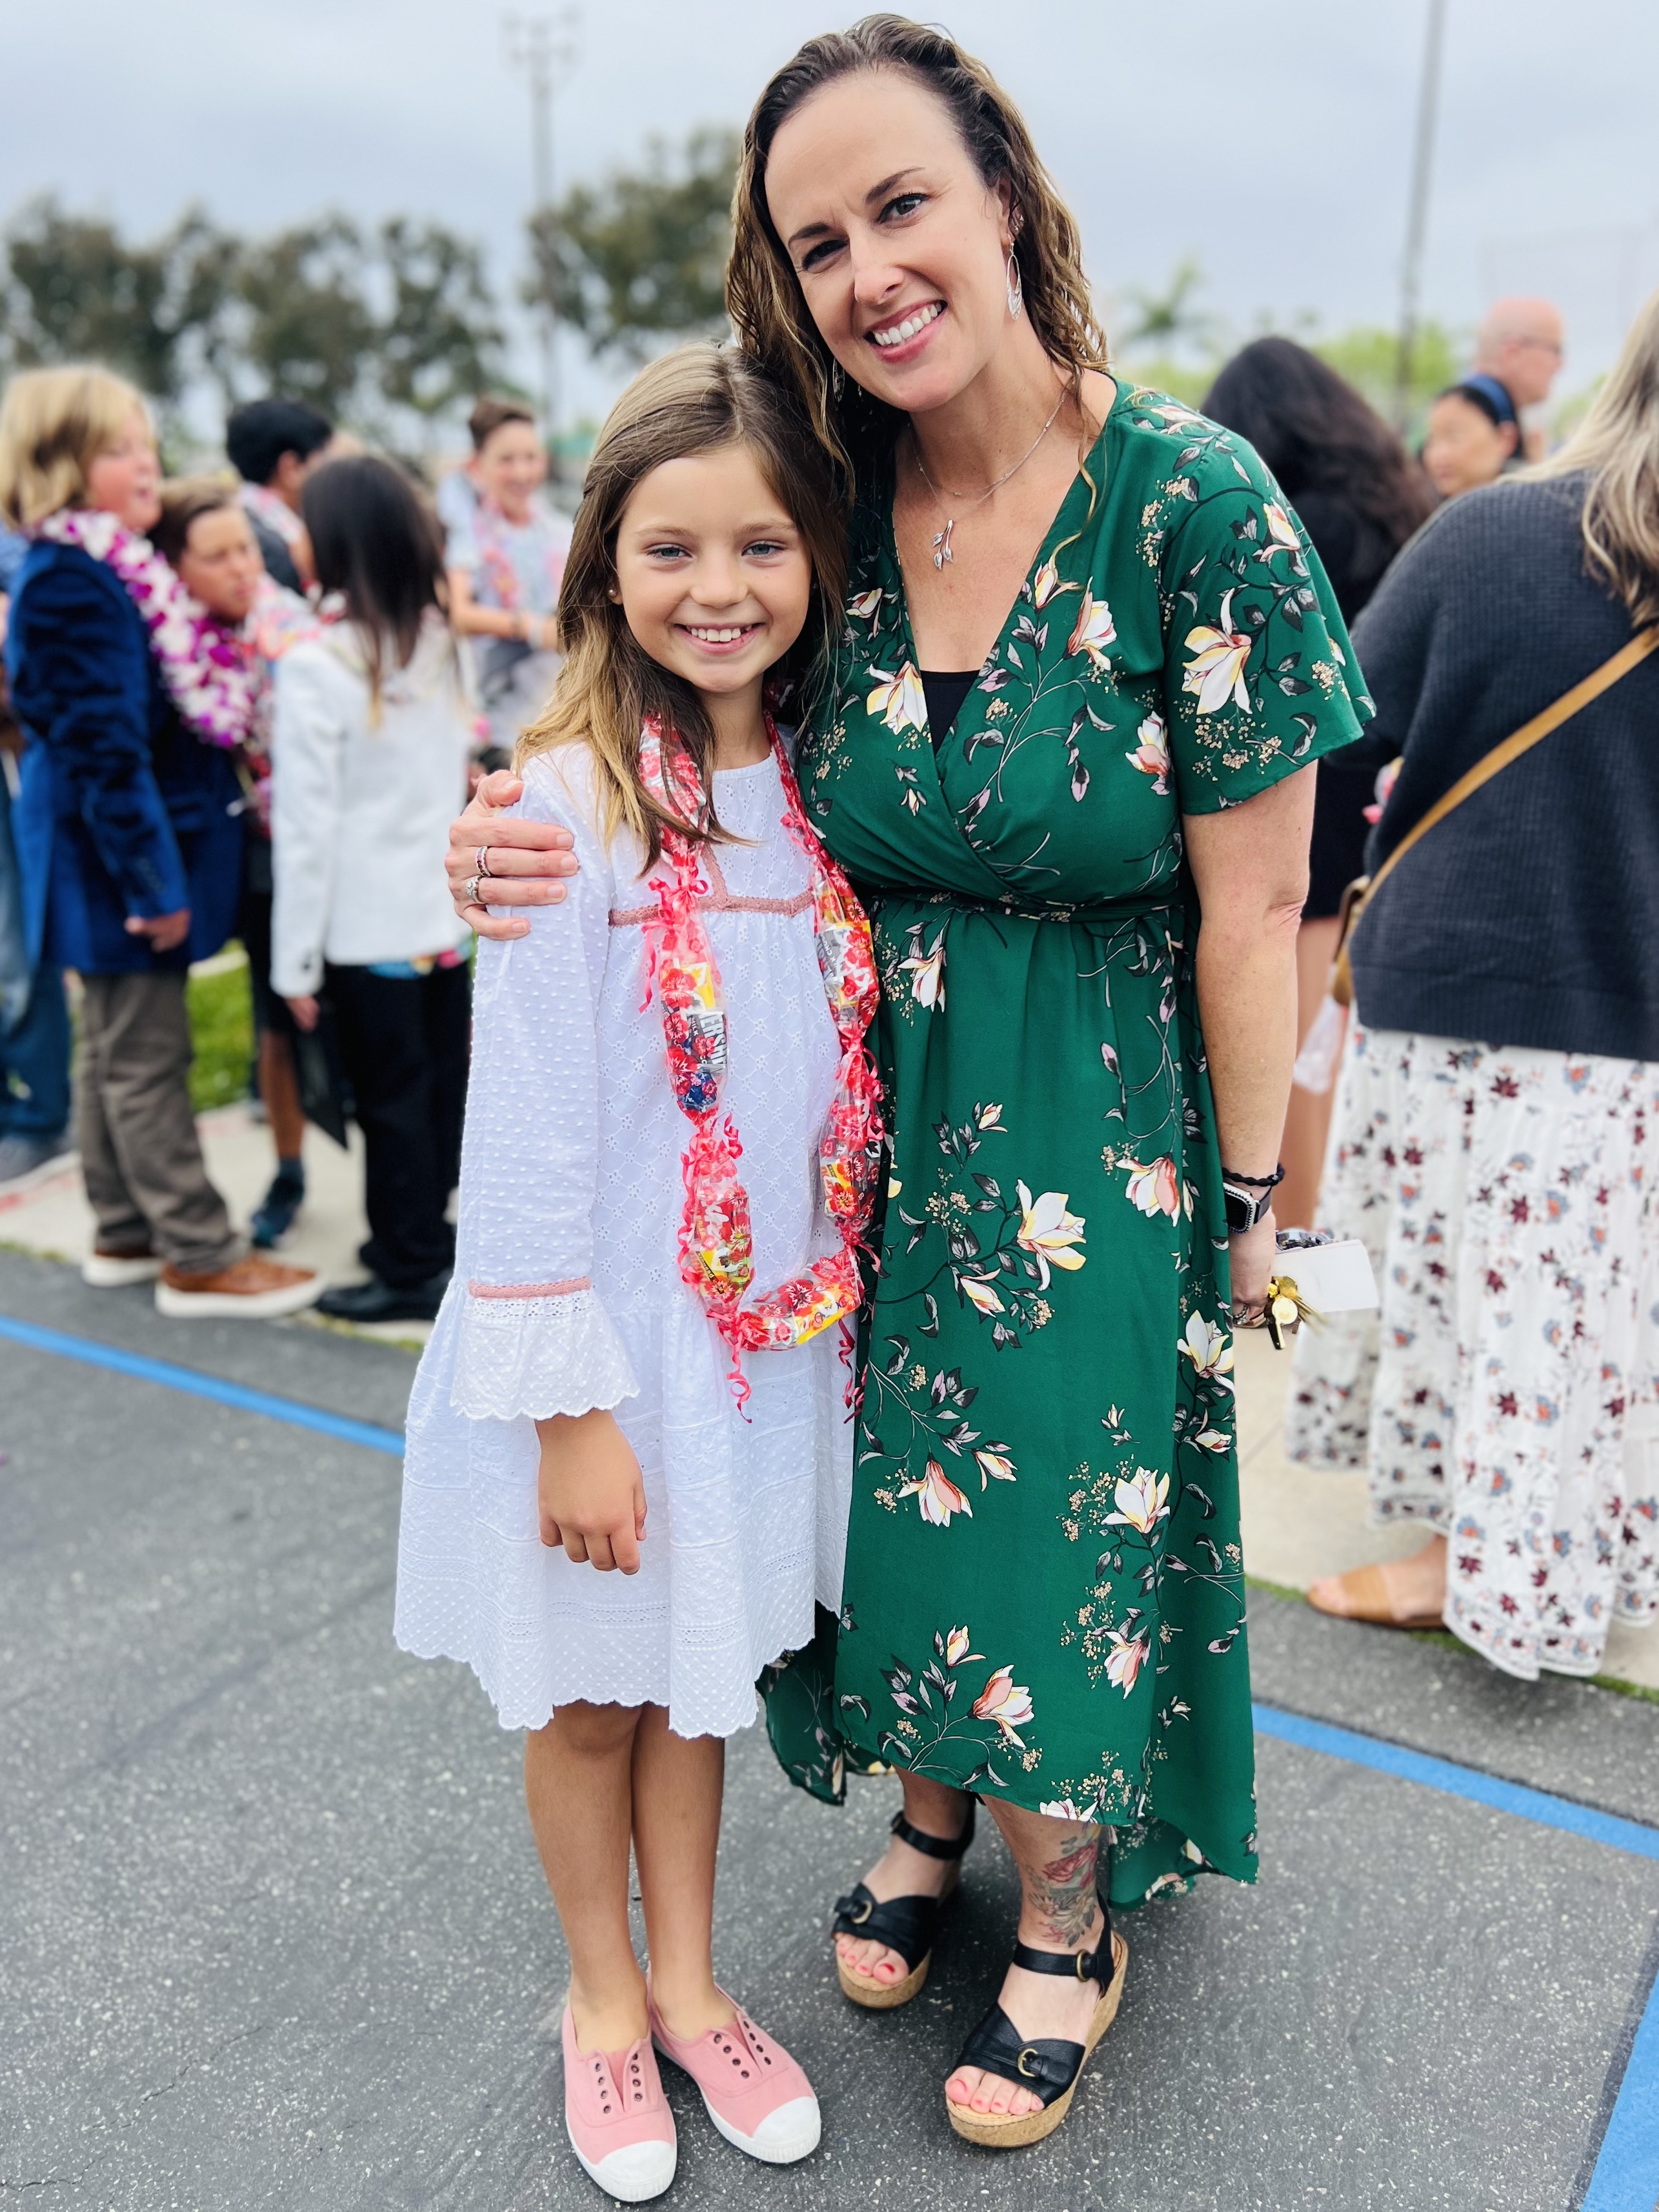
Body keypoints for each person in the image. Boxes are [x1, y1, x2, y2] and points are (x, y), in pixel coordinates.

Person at [443, 15, 1371, 2148]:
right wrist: (501, 837)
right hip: (834, 1121)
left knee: (1052, 1502)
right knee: (868, 1494)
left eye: (902, 205)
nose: (868, 266)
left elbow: (1265, 914)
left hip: (1096, 1121)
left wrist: (1251, 1201)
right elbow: (671, 742)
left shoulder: (1192, 502)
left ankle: (1071, 1906)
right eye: (818, 235)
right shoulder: (827, 492)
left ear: (1007, 198)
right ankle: (929, 1801)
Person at [397, 345, 861, 2200]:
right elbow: (520, 1142)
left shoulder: (829, 800)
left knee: (690, 1689)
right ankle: (600, 1998)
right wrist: (574, 1412)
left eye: (761, 541)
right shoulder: (567, 805)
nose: (720, 585)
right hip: (596, 1351)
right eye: (670, 546)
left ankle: (689, 1981)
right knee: (589, 1695)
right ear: (599, 566)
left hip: (752, 1349)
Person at [1287, 288, 1659, 1680]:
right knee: (1577, 1301)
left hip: (1444, 985)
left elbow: (1336, 718)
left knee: (1455, 1295)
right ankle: (1573, 1549)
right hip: (1626, 1012)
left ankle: (1469, 1565)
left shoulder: (1495, 533)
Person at [0, 366, 320, 1318]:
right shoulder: (74, 581)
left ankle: (123, 1226)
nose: (146, 463)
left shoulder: (92, 563)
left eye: (147, 443)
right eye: (119, 448)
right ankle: (197, 1250)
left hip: (99, 855)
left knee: (109, 1048)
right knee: (145, 1055)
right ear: (59, 463)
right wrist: (151, 884)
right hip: (112, 861)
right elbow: (103, 752)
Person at [1202, 337, 1434, 1229]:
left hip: (1303, 805)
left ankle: (1297, 1238)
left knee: (1294, 1053)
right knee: (1338, 1050)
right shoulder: (1396, 509)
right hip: (1377, 807)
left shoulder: (1277, 524)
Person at [271, 456, 475, 1325]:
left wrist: (293, 964)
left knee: (389, 1101)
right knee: (433, 1090)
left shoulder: (316, 663)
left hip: (362, 925)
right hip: (440, 918)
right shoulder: (435, 641)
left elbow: (306, 829)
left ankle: (408, 1265)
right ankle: (424, 1236)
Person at [150, 478, 313, 1247]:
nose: (240, 568)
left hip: (321, 844)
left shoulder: (297, 632)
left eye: (245, 548)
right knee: (273, 1019)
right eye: (215, 557)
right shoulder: (168, 651)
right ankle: (289, 1169)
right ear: (175, 570)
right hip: (246, 852)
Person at [445, 396, 572, 759]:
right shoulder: (466, 535)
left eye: (530, 458)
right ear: (477, 466)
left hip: (554, 706)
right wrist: (532, 628)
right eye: (506, 460)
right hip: (495, 716)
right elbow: (460, 613)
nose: (521, 473)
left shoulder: (558, 529)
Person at [225, 397, 335, 592]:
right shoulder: (273, 549)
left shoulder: (242, 520)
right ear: (291, 469)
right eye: (325, 461)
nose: (333, 474)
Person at [1471, 295, 1565, 461]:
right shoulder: (1478, 423)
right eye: (1555, 351)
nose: (1561, 365)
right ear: (1512, 352)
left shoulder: (1467, 412)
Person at [1421, 377, 1522, 501]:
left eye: (1454, 436)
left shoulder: (1530, 510)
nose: (1438, 454)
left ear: (1505, 439)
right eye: (1432, 440)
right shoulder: (1419, 514)